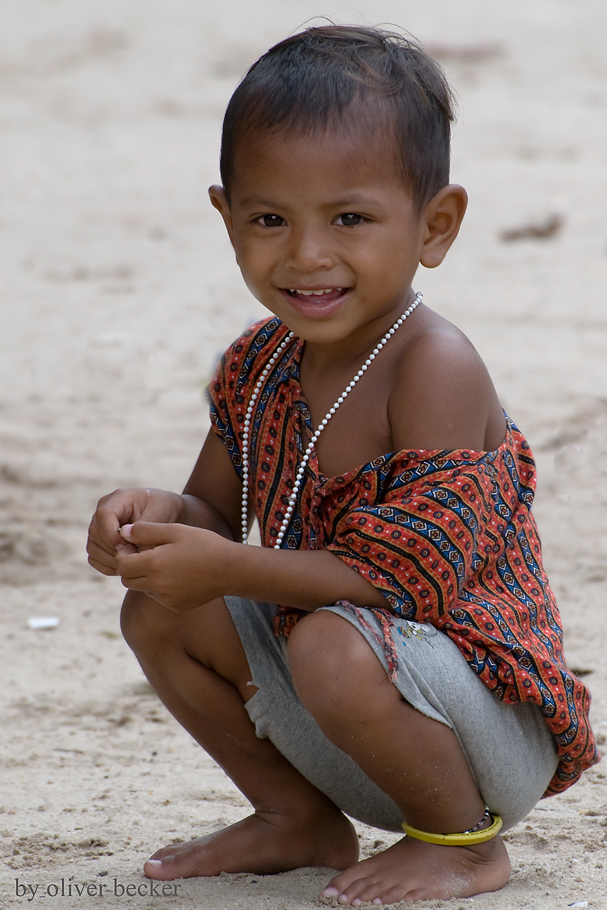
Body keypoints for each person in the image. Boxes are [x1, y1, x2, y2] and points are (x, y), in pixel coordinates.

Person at [87, 25, 599, 905]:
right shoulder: (260, 364)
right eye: (269, 219)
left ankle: (463, 846)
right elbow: (216, 513)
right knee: (160, 610)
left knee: (329, 635)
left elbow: (403, 578)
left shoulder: (430, 363)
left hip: (476, 723)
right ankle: (296, 818)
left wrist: (228, 564)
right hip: (344, 700)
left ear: (434, 225)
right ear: (227, 217)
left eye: (350, 219)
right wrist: (155, 520)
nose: (306, 254)